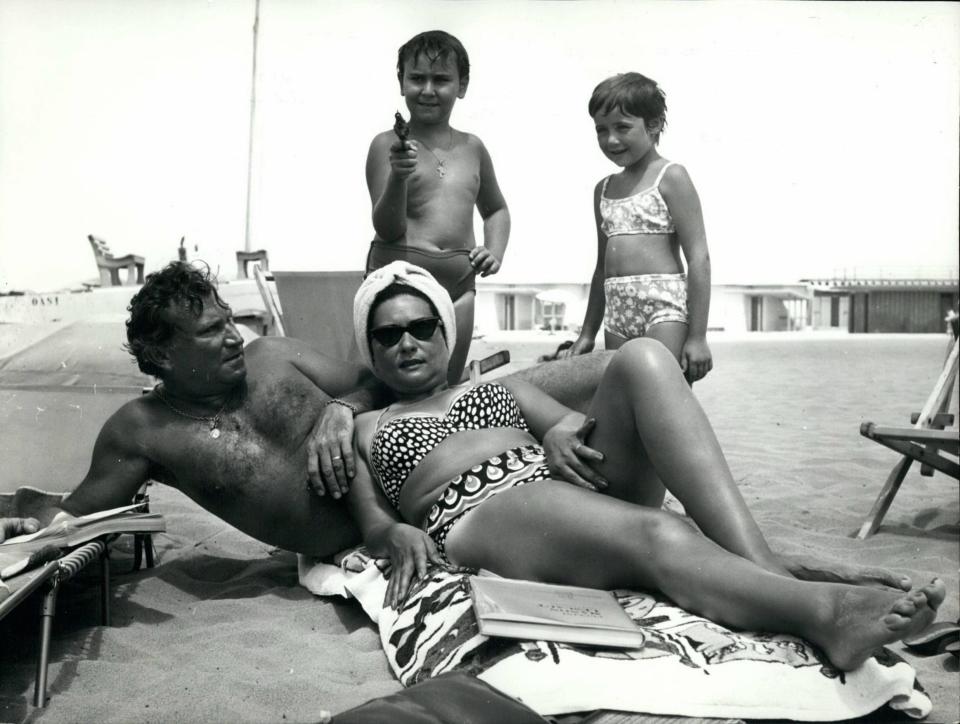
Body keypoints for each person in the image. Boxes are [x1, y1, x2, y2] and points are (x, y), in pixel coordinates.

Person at [344, 262, 944, 673]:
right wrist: (392, 532)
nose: (408, 343)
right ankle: (823, 615)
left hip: (559, 486)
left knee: (645, 358)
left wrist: (556, 435)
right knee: (662, 531)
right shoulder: (367, 427)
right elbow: (373, 520)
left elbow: (564, 424)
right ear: (371, 350)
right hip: (482, 512)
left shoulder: (500, 388)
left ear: (444, 333)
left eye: (421, 327)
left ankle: (761, 565)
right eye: (388, 334)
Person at [47, 262, 606, 559]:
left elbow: (378, 378)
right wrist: (38, 530)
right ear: (164, 354)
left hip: (428, 459)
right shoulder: (140, 431)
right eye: (212, 331)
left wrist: (341, 408)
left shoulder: (276, 355)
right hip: (388, 530)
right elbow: (78, 519)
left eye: (230, 320)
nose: (234, 337)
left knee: (613, 371)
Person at [365, 30, 510, 384]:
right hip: (402, 277)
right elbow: (387, 228)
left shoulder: (473, 148)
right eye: (417, 78)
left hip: (461, 282)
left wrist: (494, 250)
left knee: (446, 383)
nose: (428, 89)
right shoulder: (387, 145)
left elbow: (496, 210)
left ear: (462, 86)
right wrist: (399, 176)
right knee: (397, 386)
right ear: (401, 83)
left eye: (441, 79)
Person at [560, 73, 712, 385]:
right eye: (601, 130)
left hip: (663, 307)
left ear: (654, 125)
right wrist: (587, 334)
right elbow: (602, 268)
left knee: (663, 396)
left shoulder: (670, 176)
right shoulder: (603, 188)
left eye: (622, 127)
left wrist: (697, 337)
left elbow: (699, 258)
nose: (611, 139)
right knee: (627, 399)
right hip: (618, 314)